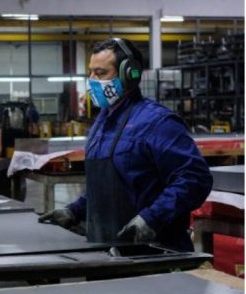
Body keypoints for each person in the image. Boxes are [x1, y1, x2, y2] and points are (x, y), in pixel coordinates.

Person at [39, 38, 213, 252]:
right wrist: (75, 210)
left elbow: (195, 178)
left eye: (101, 73)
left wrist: (152, 218)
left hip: (155, 252)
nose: (92, 80)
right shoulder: (102, 122)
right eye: (91, 72)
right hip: (106, 250)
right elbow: (110, 187)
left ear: (129, 74)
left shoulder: (157, 122)